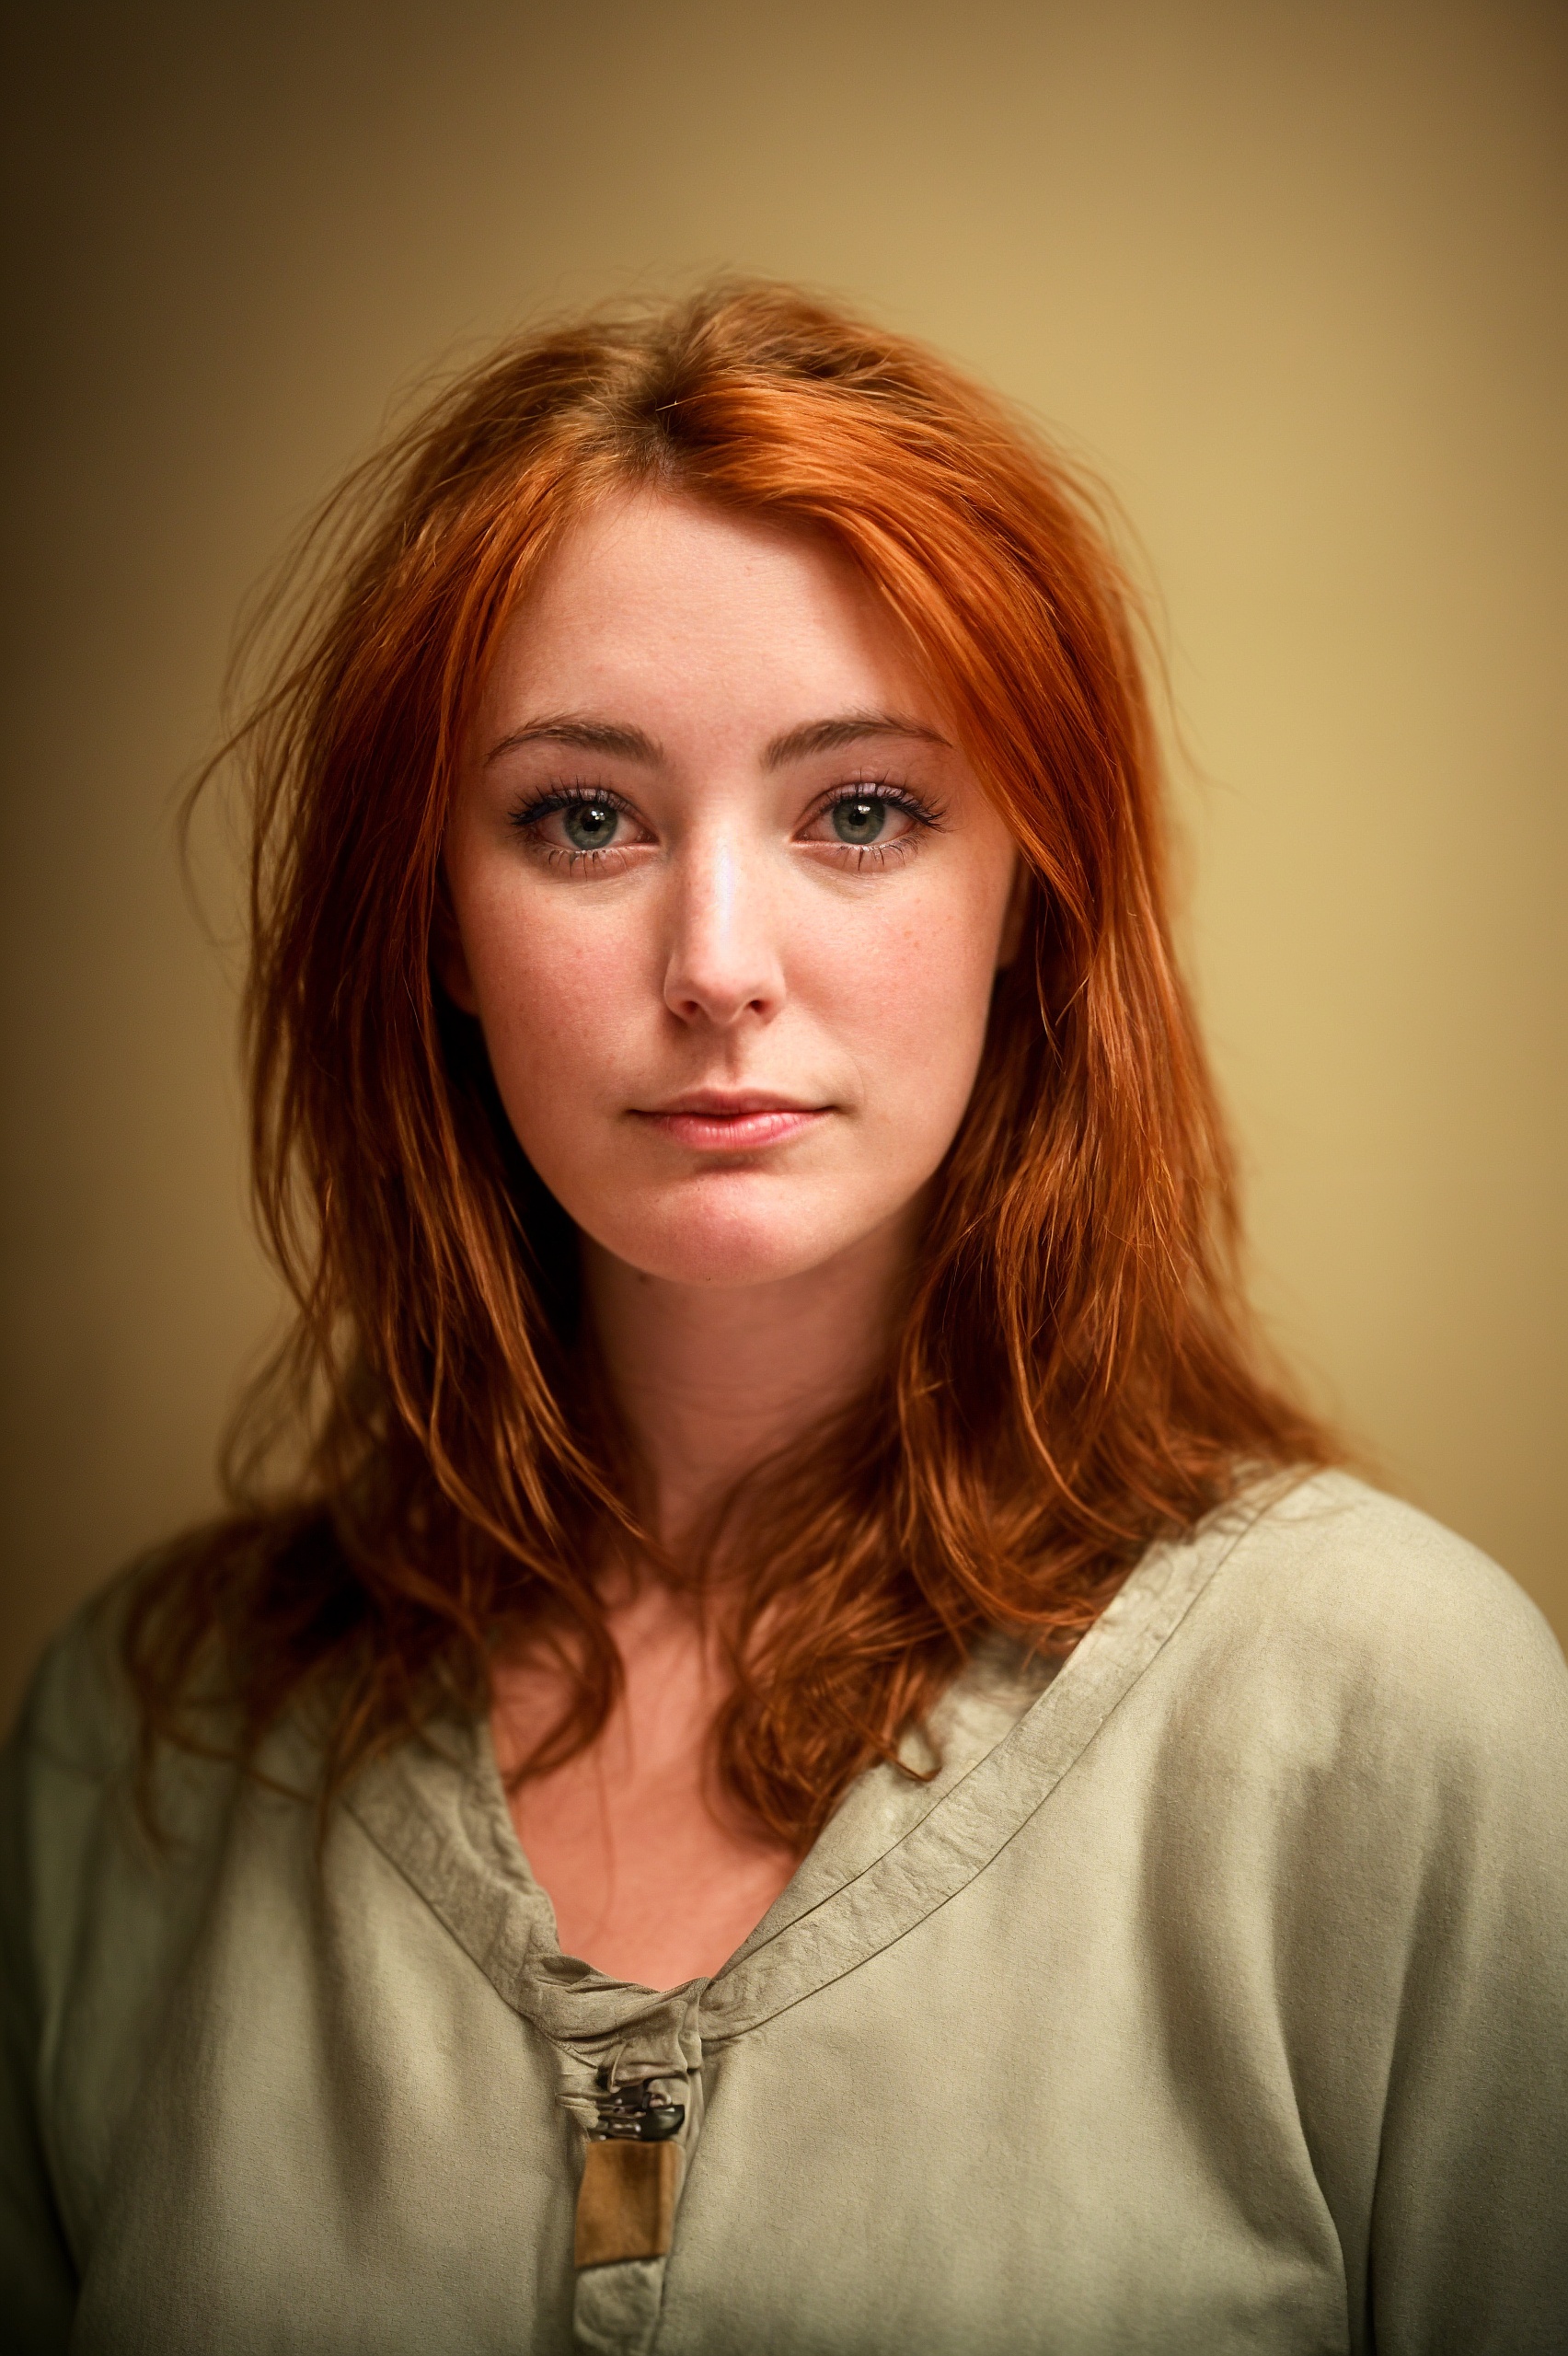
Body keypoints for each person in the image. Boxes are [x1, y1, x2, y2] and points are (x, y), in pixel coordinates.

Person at [2, 283, 1563, 2356]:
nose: (717, 960)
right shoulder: (140, 1740)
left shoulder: (1403, 1720)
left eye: (858, 811)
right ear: (435, 924)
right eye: (582, 815)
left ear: (1035, 897)